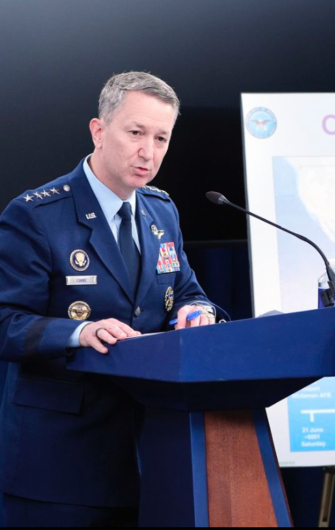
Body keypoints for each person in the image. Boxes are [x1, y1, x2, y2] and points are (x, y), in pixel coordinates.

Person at [0, 72, 226, 527]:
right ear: (99, 131)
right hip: (61, 465)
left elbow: (187, 292)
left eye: (162, 138)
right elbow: (5, 321)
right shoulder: (36, 214)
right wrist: (81, 331)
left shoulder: (162, 209)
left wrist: (197, 311)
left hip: (155, 456)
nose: (149, 152)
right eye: (136, 132)